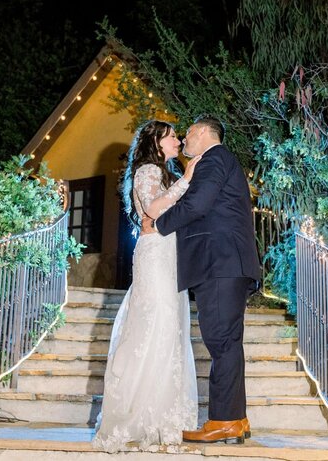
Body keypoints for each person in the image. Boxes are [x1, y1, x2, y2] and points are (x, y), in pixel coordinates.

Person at [146, 115, 261, 444]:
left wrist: (160, 226)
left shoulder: (213, 158)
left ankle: (223, 420)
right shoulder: (218, 160)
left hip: (220, 262)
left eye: (190, 134)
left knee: (222, 341)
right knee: (226, 342)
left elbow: (197, 204)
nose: (184, 140)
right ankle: (235, 419)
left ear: (205, 133)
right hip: (224, 263)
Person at [92, 120, 201, 453]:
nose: (178, 141)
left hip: (171, 254)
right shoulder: (147, 172)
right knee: (156, 325)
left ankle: (164, 417)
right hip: (155, 255)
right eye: (172, 137)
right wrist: (186, 180)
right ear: (156, 142)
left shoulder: (164, 172)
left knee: (172, 329)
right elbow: (153, 209)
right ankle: (138, 416)